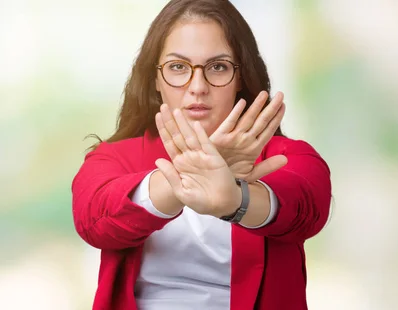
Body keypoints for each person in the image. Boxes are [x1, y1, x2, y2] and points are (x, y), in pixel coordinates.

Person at [71, 1, 332, 309]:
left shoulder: (291, 155)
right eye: (178, 67)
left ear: (240, 78)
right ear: (155, 78)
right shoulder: (111, 159)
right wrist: (189, 177)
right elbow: (93, 221)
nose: (198, 86)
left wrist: (236, 200)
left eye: (218, 67)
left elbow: (307, 211)